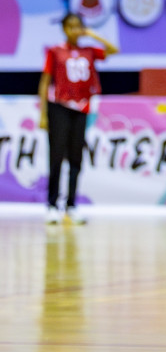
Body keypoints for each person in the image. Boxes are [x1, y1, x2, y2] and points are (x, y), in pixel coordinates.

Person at [39, 12, 117, 224]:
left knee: (76, 157)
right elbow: (45, 81)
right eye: (70, 27)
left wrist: (93, 34)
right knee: (56, 156)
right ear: (64, 29)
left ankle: (71, 205)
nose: (74, 30)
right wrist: (43, 114)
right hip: (59, 106)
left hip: (81, 108)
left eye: (78, 26)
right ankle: (52, 204)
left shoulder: (89, 50)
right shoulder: (56, 51)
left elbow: (114, 50)